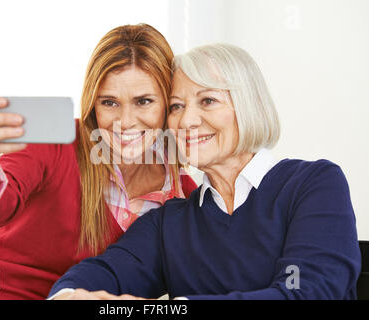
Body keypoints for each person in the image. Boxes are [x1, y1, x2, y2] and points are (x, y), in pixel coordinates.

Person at [48, 43, 361, 300]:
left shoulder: (313, 185)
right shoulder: (168, 222)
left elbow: (309, 292)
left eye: (207, 101)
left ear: (249, 105)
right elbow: (107, 271)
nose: (186, 122)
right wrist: (68, 295)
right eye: (176, 107)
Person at [0, 24, 197, 300]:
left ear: (169, 103)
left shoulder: (183, 196)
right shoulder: (59, 142)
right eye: (109, 103)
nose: (124, 122)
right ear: (92, 102)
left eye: (144, 101)